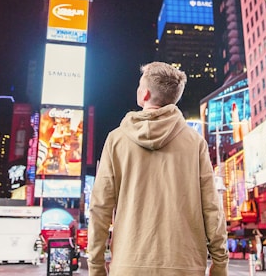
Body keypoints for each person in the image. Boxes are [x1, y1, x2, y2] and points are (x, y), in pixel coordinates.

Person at [88, 62, 228, 276]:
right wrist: (219, 265)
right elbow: (211, 208)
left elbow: (100, 207)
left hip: (128, 266)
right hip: (185, 267)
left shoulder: (117, 140)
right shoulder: (194, 142)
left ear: (144, 94)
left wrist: (96, 267)